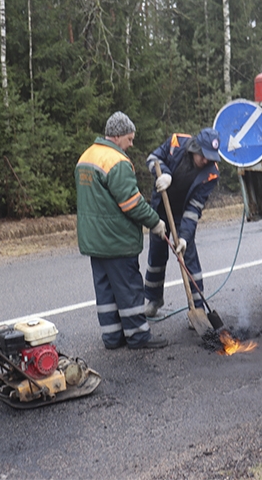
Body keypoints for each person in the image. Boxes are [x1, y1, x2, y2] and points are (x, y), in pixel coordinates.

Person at [77, 111, 170, 349]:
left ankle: (112, 337)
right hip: (116, 240)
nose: (131, 144)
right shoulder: (116, 161)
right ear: (117, 136)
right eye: (129, 139)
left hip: (94, 241)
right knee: (129, 289)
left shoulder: (87, 156)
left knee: (105, 291)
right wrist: (155, 222)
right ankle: (138, 336)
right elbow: (132, 203)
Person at [141, 128, 221, 319]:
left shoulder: (211, 173)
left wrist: (184, 237)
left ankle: (197, 308)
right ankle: (154, 300)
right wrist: (165, 174)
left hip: (183, 213)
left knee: (189, 258)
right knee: (157, 255)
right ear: (195, 148)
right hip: (162, 208)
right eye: (203, 156)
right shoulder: (176, 143)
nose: (206, 161)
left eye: (210, 158)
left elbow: (194, 208)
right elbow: (152, 158)